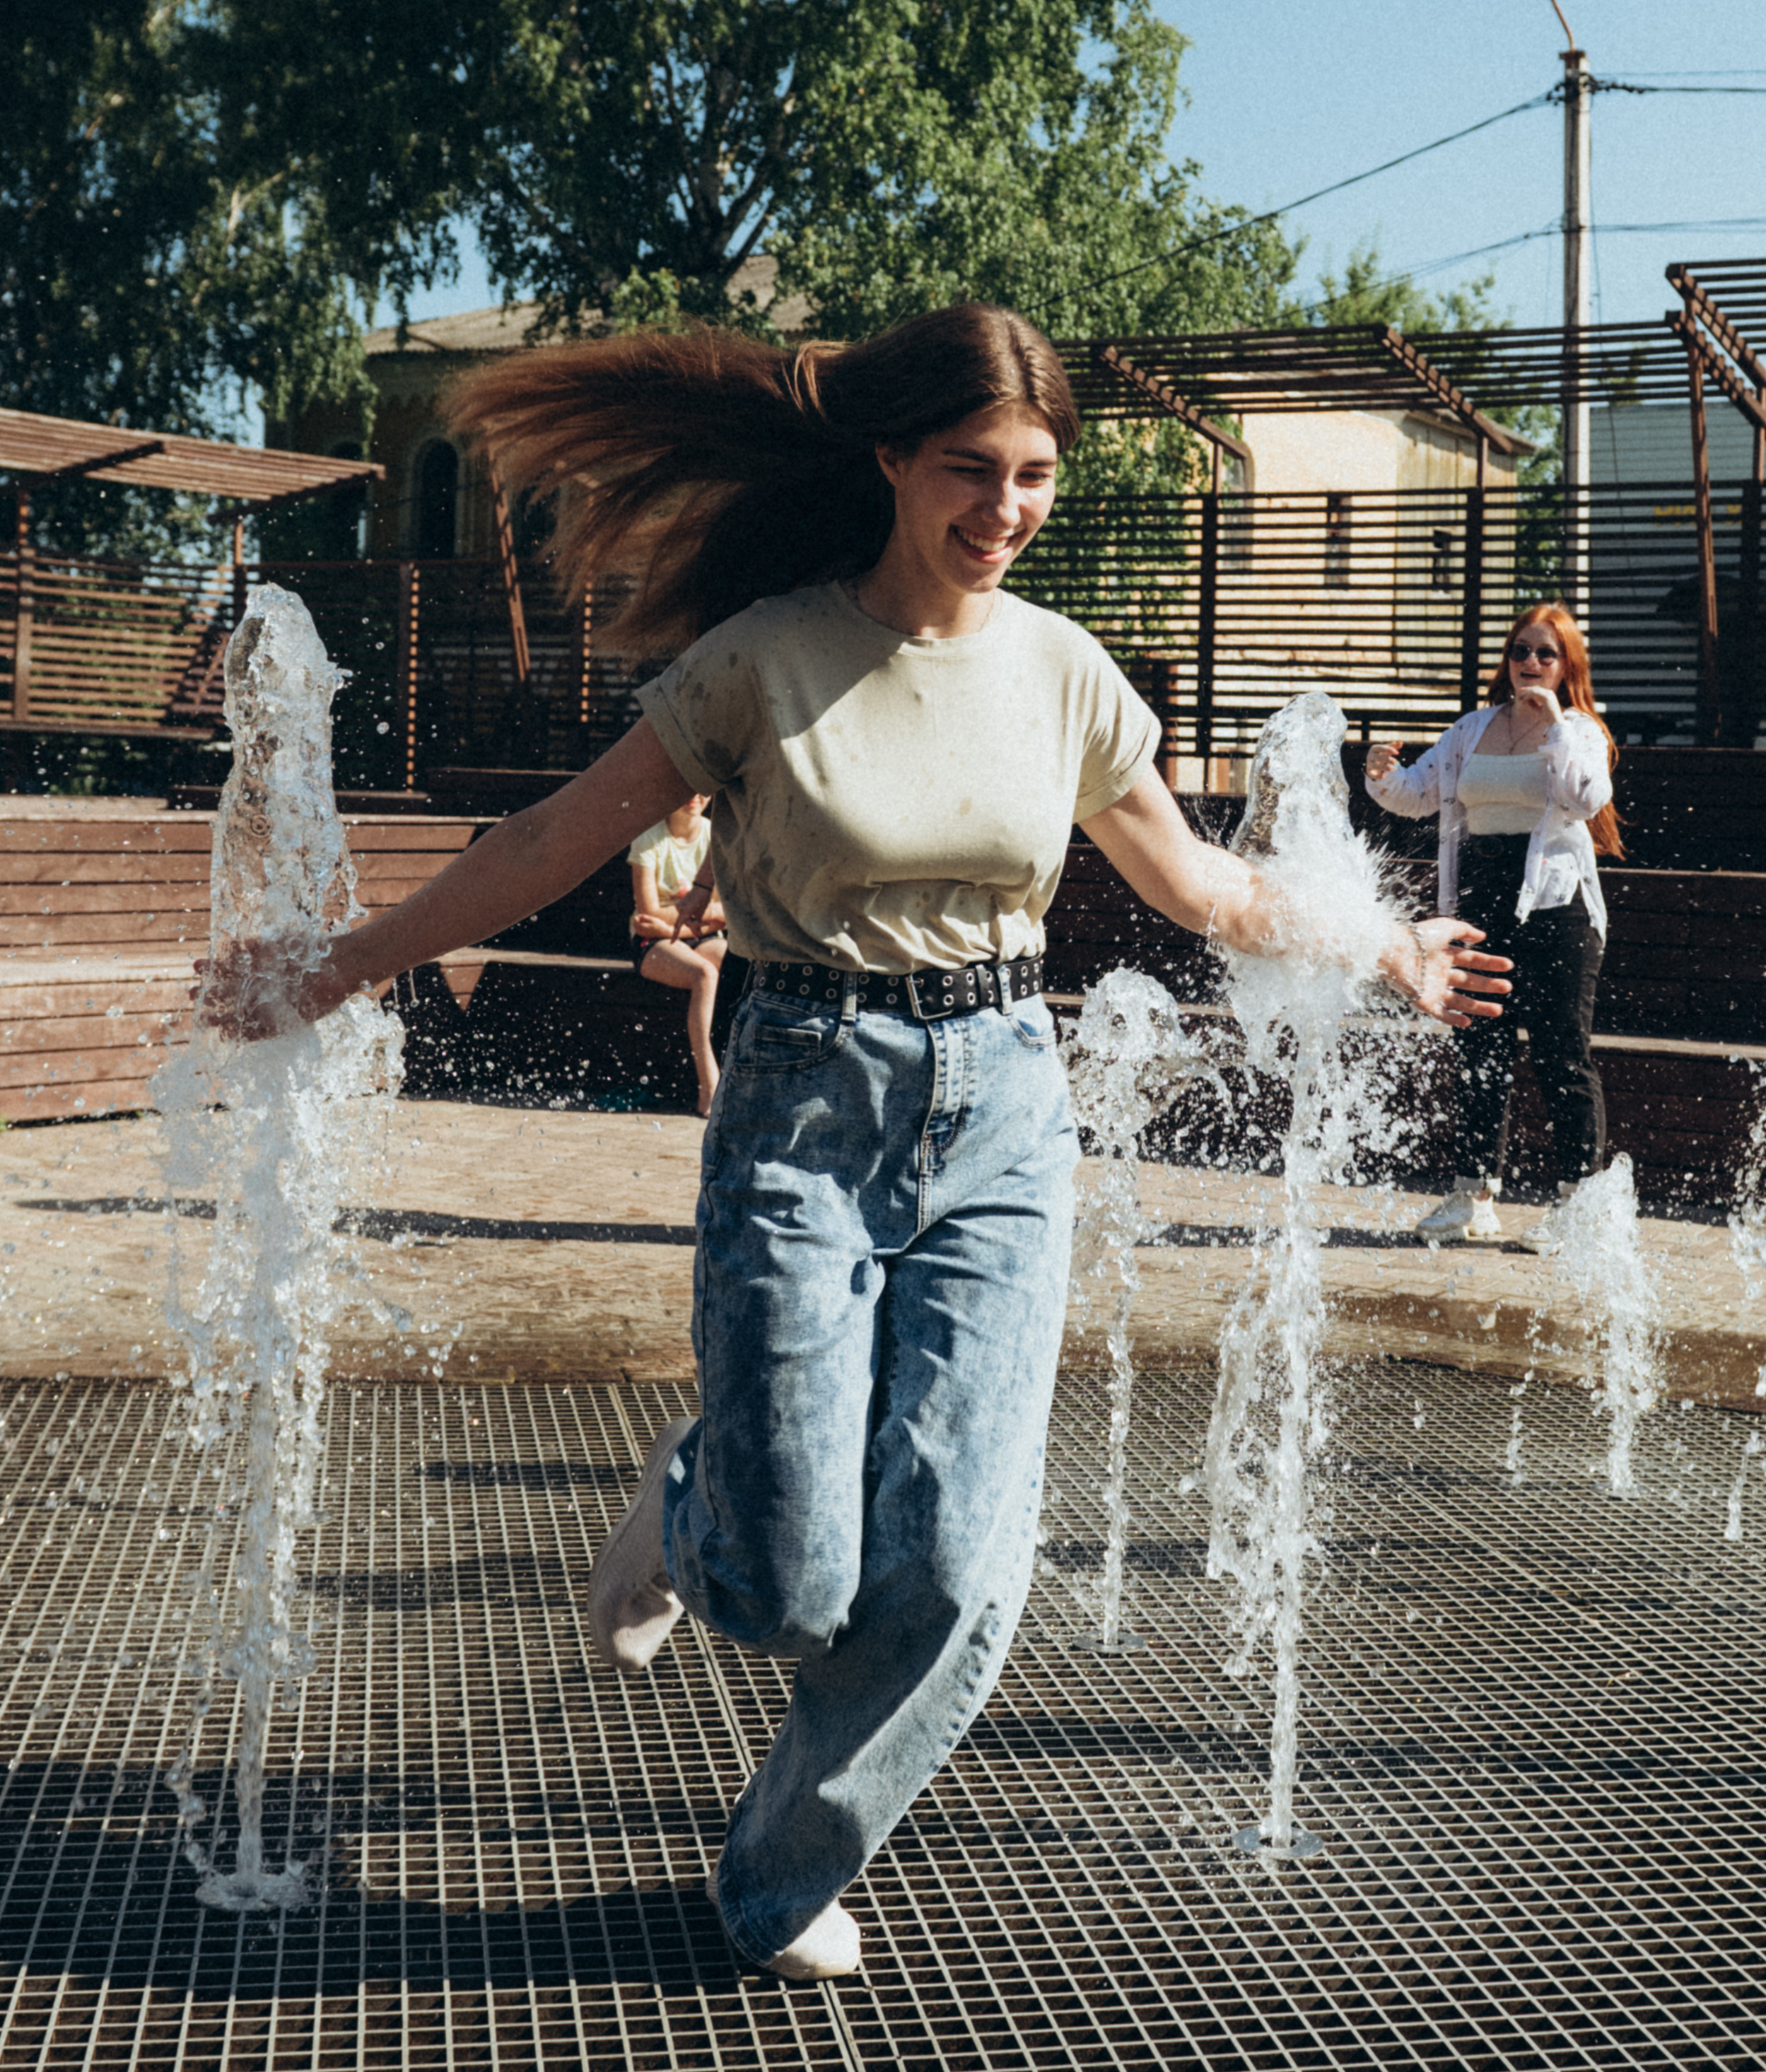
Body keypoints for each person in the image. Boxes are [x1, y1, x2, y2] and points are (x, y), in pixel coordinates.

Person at [204, 304, 1509, 1983]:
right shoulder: (764, 658)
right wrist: (331, 966)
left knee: (955, 1566)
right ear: (891, 458)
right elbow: (541, 841)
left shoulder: (1060, 673)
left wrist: (1380, 943)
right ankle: (688, 1517)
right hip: (804, 1092)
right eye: (972, 469)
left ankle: (774, 1877)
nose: (1006, 505)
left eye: (1034, 474)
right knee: (790, 1580)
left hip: (1004, 1107)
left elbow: (1207, 889)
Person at [1364, 601, 1620, 1241]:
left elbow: (1587, 796)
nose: (1530, 664)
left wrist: (1556, 722)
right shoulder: (1472, 728)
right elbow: (1416, 795)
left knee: (1563, 1053)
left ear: (1566, 667)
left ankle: (1576, 1203)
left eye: (1545, 654)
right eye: (1520, 652)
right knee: (1479, 1050)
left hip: (1557, 909)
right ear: (1505, 660)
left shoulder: (1581, 729)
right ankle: (1472, 1195)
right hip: (1481, 907)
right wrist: (1380, 775)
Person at [628, 795, 727, 1114]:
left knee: (739, 963)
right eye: (686, 789)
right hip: (652, 944)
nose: (696, 797)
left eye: (703, 789)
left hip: (691, 935)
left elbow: (728, 912)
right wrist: (700, 915)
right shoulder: (649, 838)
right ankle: (709, 1085)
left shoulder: (717, 834)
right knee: (704, 974)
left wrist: (668, 923)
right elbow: (646, 914)